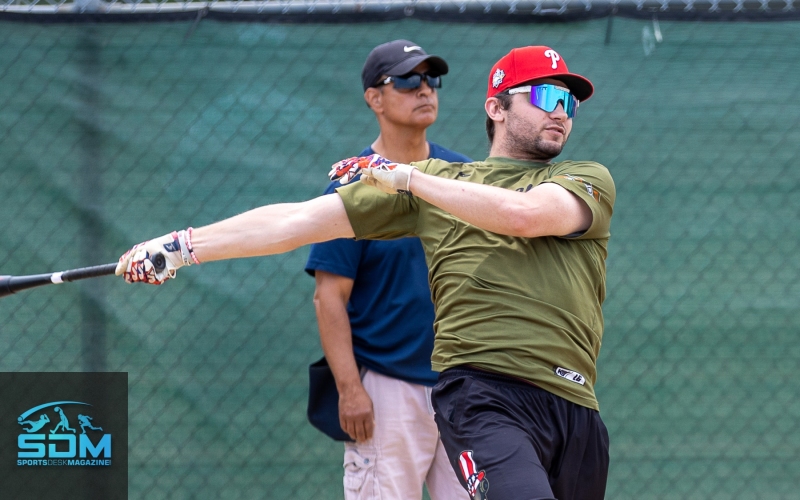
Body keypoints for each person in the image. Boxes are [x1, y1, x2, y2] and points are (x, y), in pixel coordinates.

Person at [116, 45, 616, 500]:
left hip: (575, 404)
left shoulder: (582, 178)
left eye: (570, 103)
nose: (560, 112)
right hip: (485, 396)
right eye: (547, 95)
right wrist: (181, 246)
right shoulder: (435, 186)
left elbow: (523, 216)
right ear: (496, 107)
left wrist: (409, 179)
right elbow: (297, 221)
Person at [304, 40, 471, 500]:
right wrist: (350, 389)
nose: (424, 89)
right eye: (406, 80)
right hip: (389, 387)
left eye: (431, 79)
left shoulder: (461, 175)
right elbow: (328, 297)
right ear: (374, 98)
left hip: (463, 384)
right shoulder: (352, 181)